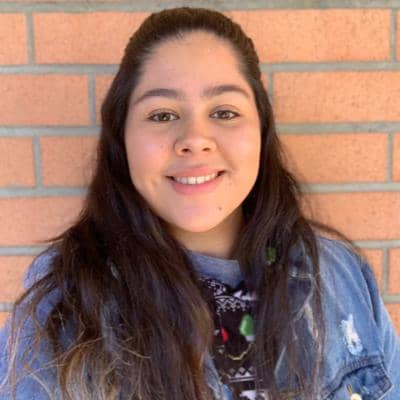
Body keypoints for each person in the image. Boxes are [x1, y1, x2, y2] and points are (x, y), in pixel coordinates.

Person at [0, 6, 399, 400]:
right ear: (122, 138)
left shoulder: (339, 274)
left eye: (224, 112)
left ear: (261, 131)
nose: (195, 138)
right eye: (162, 115)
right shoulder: (67, 300)